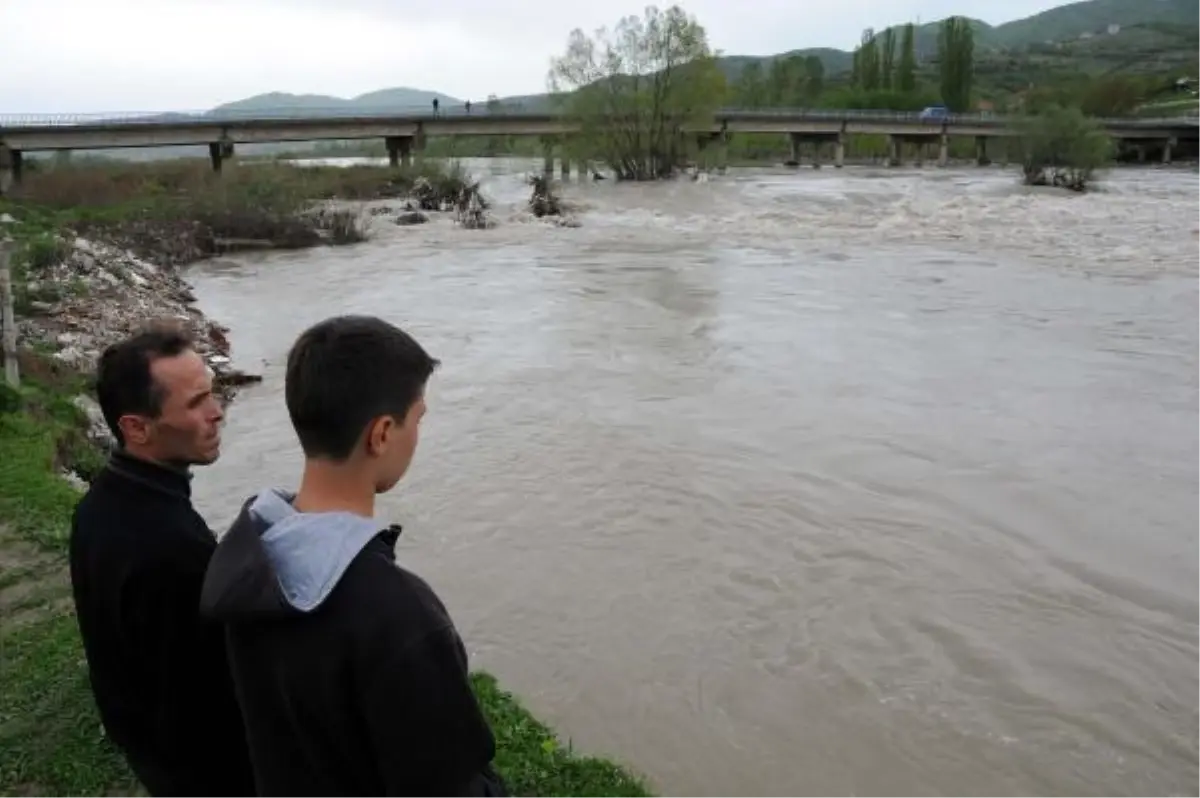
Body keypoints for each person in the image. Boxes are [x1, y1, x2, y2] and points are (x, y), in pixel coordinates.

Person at [200, 315, 507, 798]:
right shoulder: (399, 614)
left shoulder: (246, 557)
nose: (417, 435)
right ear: (382, 433)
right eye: (417, 418)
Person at [68, 324, 256, 797]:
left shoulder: (102, 503)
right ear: (137, 428)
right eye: (195, 404)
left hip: (145, 741)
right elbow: (206, 700)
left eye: (212, 395)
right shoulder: (170, 547)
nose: (217, 414)